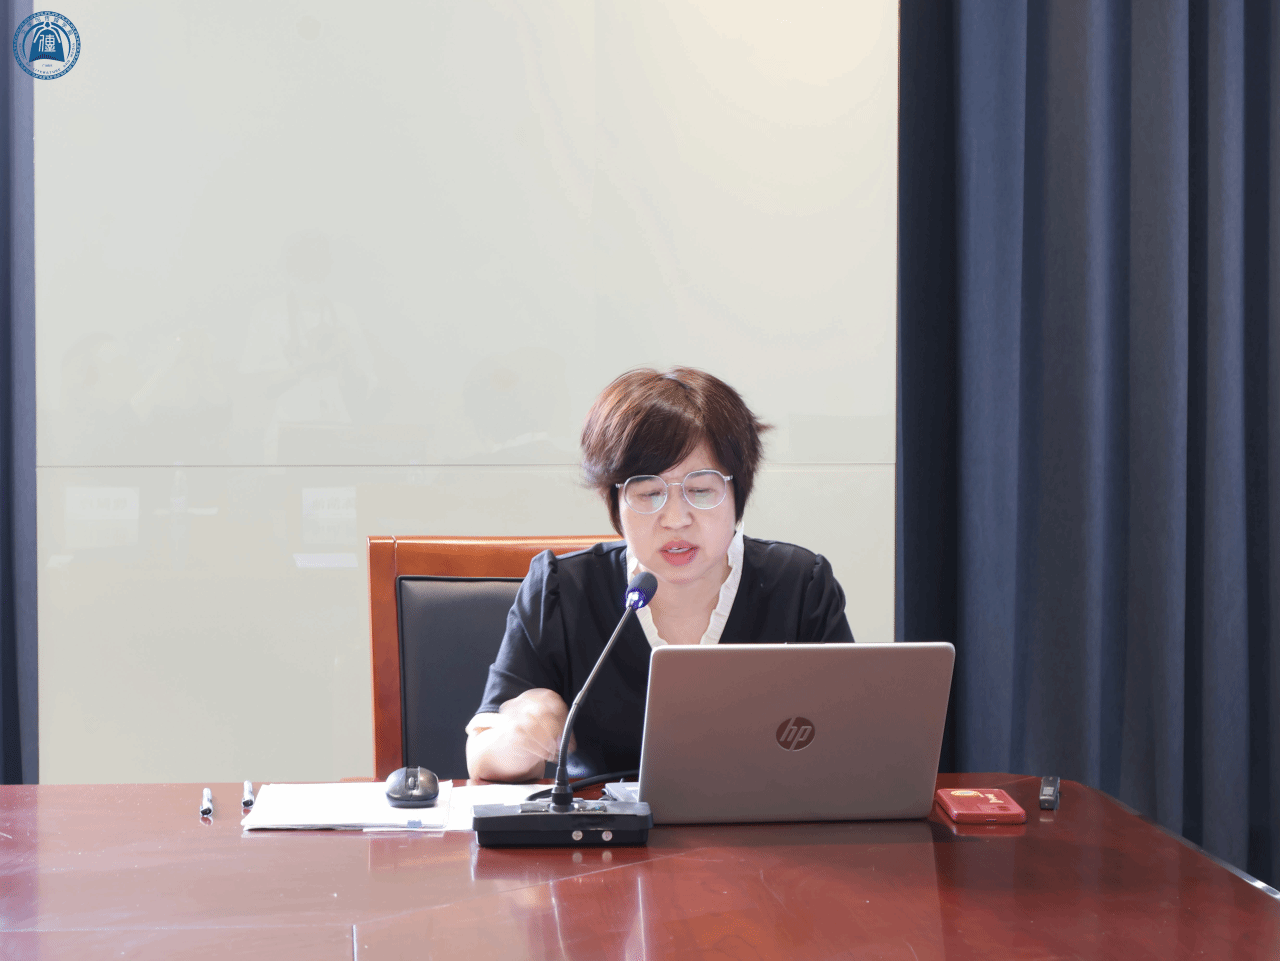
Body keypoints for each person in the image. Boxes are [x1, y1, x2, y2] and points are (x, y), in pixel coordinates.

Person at [465, 367, 854, 782]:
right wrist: (520, 736)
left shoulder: (799, 586)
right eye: (649, 493)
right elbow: (482, 759)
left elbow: (854, 736)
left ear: (738, 491)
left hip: (770, 820)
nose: (675, 518)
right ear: (615, 499)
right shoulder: (563, 590)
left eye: (700, 490)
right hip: (603, 824)